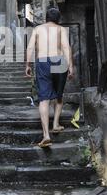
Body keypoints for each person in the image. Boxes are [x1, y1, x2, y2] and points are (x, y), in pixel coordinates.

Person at [25, 8, 75, 148]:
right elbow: (66, 47)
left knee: (44, 99)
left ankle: (46, 135)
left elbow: (30, 48)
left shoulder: (38, 29)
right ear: (58, 19)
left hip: (42, 62)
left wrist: (27, 65)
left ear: (46, 18)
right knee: (59, 96)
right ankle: (56, 124)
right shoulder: (61, 29)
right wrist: (70, 65)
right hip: (59, 60)